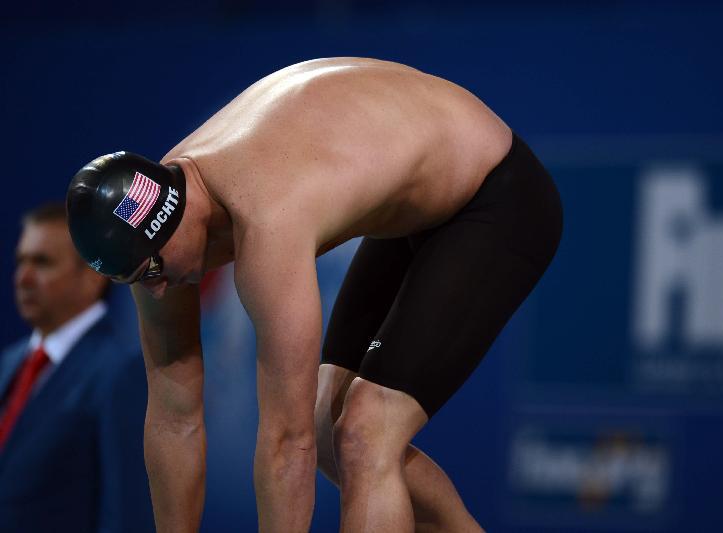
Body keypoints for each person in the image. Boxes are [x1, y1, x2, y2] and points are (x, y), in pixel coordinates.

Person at [66, 57, 562, 533]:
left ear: (171, 219)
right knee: (330, 431)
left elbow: (286, 443)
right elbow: (175, 419)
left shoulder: (268, 221)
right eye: (132, 280)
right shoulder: (156, 220)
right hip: (413, 196)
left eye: (152, 270)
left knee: (367, 435)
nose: (153, 289)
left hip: (496, 196)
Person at [0, 203, 154, 532]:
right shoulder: (8, 364)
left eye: (42, 262)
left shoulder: (119, 372)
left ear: (94, 275)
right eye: (20, 261)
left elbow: (126, 511)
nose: (23, 278)